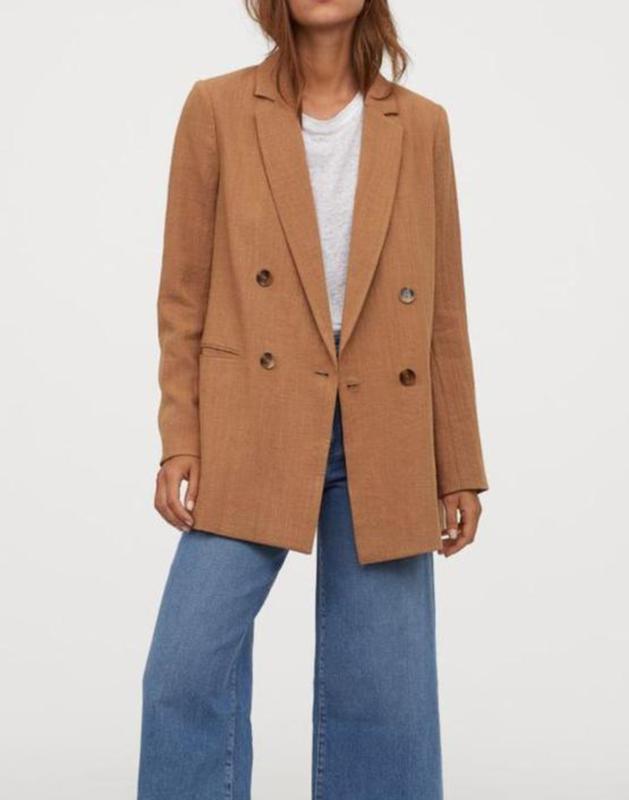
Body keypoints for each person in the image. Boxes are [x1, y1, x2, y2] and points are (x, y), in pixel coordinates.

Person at [138, 1, 488, 797]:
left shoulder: (421, 125)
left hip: (385, 422)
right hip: (253, 420)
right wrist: (180, 434)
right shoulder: (217, 108)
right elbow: (182, 296)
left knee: (384, 693)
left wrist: (457, 463)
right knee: (184, 670)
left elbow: (443, 310)